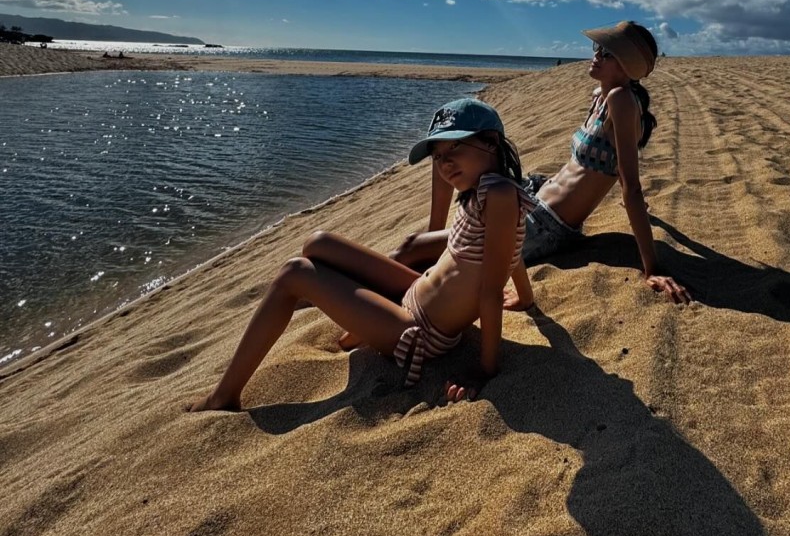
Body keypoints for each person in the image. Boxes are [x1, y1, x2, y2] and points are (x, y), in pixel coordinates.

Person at [187, 98, 535, 411]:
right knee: (317, 243)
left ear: (491, 142)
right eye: (439, 155)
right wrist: (525, 294)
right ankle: (341, 306)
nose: (445, 164)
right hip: (414, 294)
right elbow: (508, 251)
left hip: (420, 331)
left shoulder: (500, 194)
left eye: (456, 147)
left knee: (294, 272)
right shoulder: (484, 189)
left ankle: (224, 396)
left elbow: (491, 287)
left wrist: (486, 369)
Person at [396, 21, 689, 306]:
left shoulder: (621, 99)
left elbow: (631, 184)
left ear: (627, 65)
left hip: (546, 225)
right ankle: (433, 235)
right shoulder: (601, 95)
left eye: (607, 54)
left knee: (411, 246)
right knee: (445, 147)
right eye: (597, 48)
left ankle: (389, 283)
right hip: (535, 190)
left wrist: (652, 268)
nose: (596, 56)